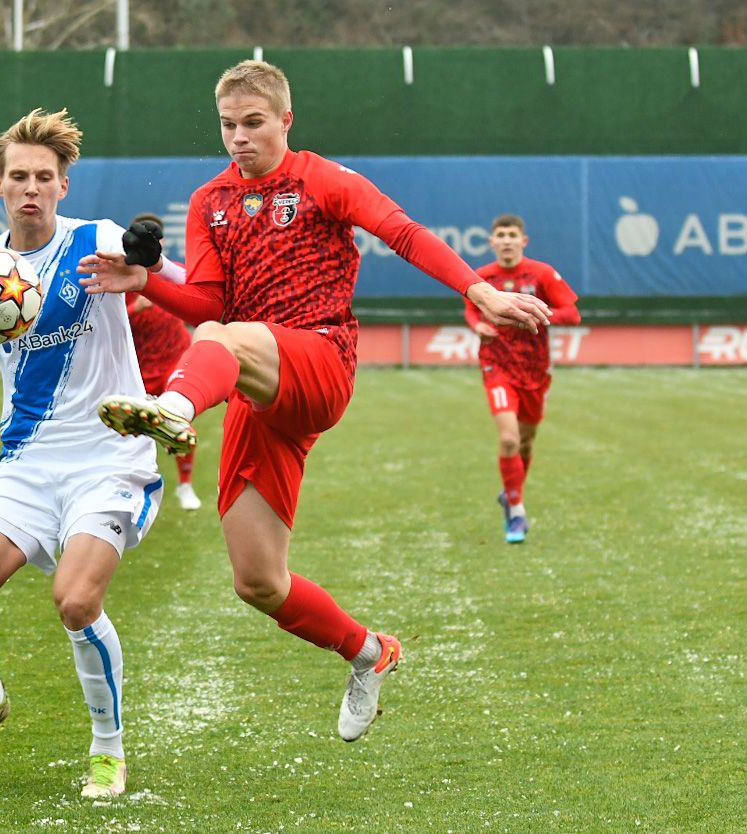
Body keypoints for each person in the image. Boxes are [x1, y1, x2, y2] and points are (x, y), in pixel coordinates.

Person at [80, 60, 551, 743]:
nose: (239, 138)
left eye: (253, 123)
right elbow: (207, 304)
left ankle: (174, 411)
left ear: (285, 121)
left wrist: (475, 291)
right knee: (257, 581)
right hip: (253, 383)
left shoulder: (321, 179)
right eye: (228, 125)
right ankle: (368, 652)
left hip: (320, 359)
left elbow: (403, 233)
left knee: (224, 340)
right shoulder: (208, 200)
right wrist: (144, 279)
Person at [0, 108, 163, 799]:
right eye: (18, 176)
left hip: (110, 458)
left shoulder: (95, 239)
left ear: (62, 184)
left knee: (75, 602)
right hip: (26, 460)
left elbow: (158, 269)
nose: (31, 187)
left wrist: (147, 252)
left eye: (43, 177)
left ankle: (107, 750)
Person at [467, 214, 580, 544]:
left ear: (523, 241)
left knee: (527, 441)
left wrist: (536, 312)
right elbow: (471, 308)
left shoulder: (541, 274)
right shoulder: (481, 277)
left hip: (534, 369)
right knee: (509, 440)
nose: (506, 240)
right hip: (496, 366)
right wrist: (477, 326)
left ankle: (511, 492)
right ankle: (517, 512)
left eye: (511, 235)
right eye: (500, 235)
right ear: (491, 242)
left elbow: (572, 313)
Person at [123, 212, 201, 511]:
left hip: (175, 361)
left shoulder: (171, 272)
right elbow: (112, 327)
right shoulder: (123, 274)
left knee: (181, 423)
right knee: (127, 430)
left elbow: (198, 303)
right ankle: (131, 488)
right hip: (139, 368)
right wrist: (136, 310)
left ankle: (185, 486)